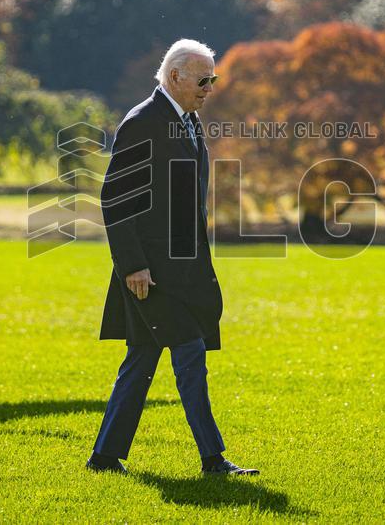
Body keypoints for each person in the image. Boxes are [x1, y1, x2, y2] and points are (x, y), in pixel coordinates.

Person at [86, 39, 259, 476]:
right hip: (151, 275)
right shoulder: (143, 122)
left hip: (182, 271)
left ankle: (104, 458)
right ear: (175, 76)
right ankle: (213, 459)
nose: (209, 88)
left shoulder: (190, 122)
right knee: (189, 353)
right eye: (203, 80)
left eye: (213, 79)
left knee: (141, 360)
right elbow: (115, 198)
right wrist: (132, 266)